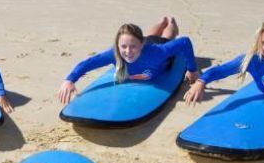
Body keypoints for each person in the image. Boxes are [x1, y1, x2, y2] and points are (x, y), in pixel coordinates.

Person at [58, 16, 200, 104]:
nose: (127, 52)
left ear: (141, 44)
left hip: (158, 47)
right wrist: (70, 80)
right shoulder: (114, 53)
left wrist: (192, 69)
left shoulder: (158, 52)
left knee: (167, 36)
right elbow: (89, 63)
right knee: (150, 35)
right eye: (123, 46)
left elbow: (184, 42)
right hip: (145, 41)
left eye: (132, 47)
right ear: (117, 45)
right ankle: (161, 21)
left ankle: (170, 22)